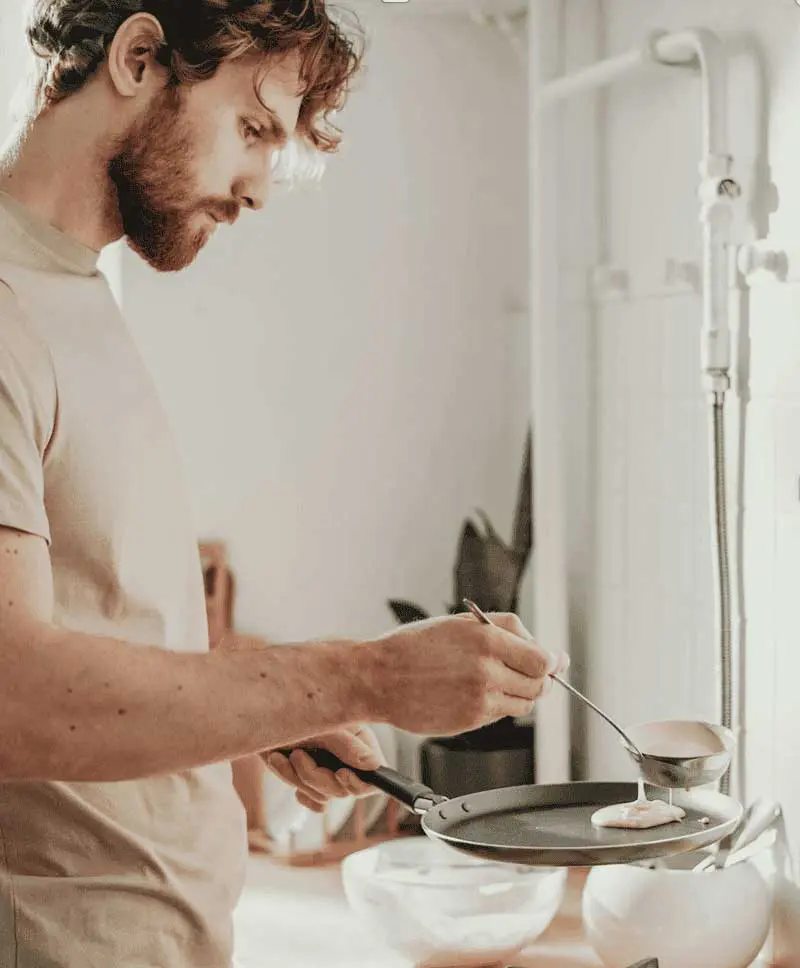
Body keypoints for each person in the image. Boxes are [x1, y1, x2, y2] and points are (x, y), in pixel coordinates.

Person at [0, 1, 569, 966]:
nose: (260, 187)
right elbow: (15, 700)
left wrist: (278, 712)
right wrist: (366, 675)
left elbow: (102, 627)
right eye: (253, 127)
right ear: (139, 57)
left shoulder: (72, 293)